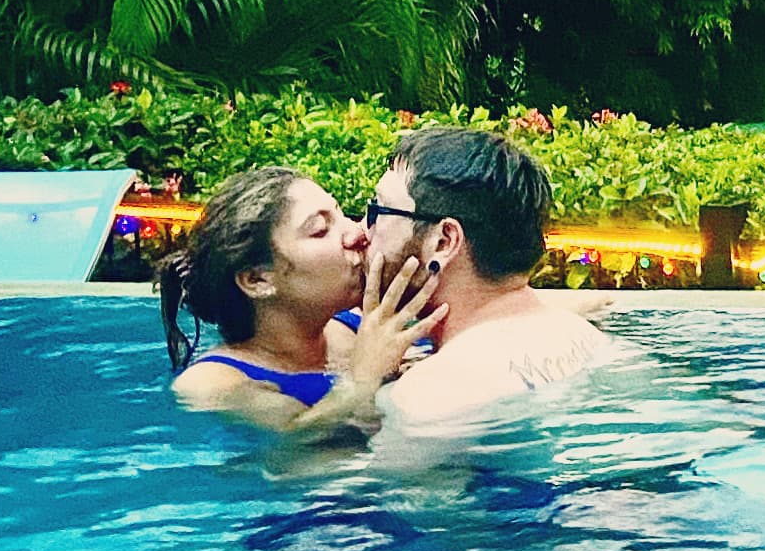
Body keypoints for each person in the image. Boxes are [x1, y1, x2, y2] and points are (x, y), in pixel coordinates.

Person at [365, 126, 629, 434]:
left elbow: (383, 483)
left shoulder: (429, 394)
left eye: (377, 211)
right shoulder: (591, 339)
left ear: (443, 242)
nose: (361, 231)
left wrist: (361, 385)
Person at [162, 165, 439, 438]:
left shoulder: (363, 326)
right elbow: (296, 452)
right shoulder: (215, 383)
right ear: (258, 279)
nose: (358, 233)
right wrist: (362, 380)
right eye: (320, 230)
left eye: (341, 214)